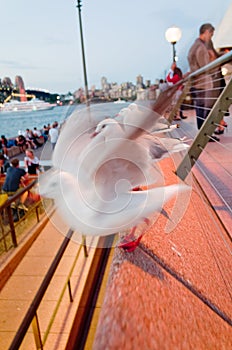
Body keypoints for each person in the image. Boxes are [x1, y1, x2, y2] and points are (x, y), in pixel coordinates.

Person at [187, 23, 219, 142]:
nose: (211, 37)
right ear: (205, 32)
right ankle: (205, 136)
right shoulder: (200, 48)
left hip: (197, 83)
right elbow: (206, 67)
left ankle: (204, 135)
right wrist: (213, 58)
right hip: (203, 83)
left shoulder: (194, 46)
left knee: (201, 110)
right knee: (205, 111)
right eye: (211, 34)